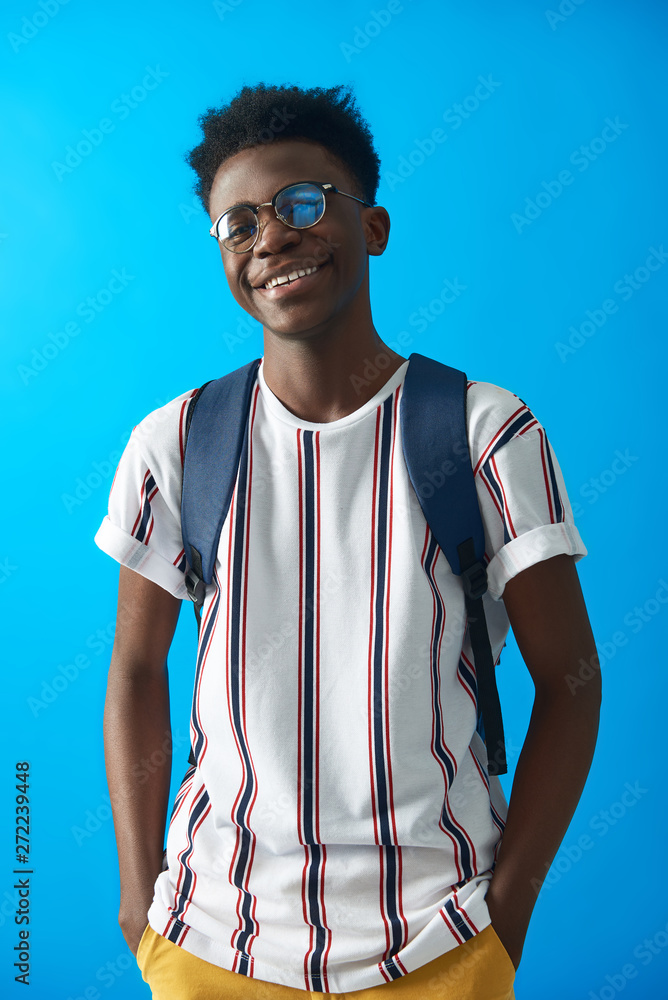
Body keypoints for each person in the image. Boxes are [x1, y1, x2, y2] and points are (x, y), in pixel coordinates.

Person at [95, 82, 601, 1000]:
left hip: (439, 938)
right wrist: (140, 896)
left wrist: (509, 909)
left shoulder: (484, 430)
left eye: (300, 203)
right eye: (237, 223)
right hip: (212, 940)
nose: (271, 238)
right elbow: (135, 670)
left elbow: (572, 680)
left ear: (372, 226)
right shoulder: (174, 443)